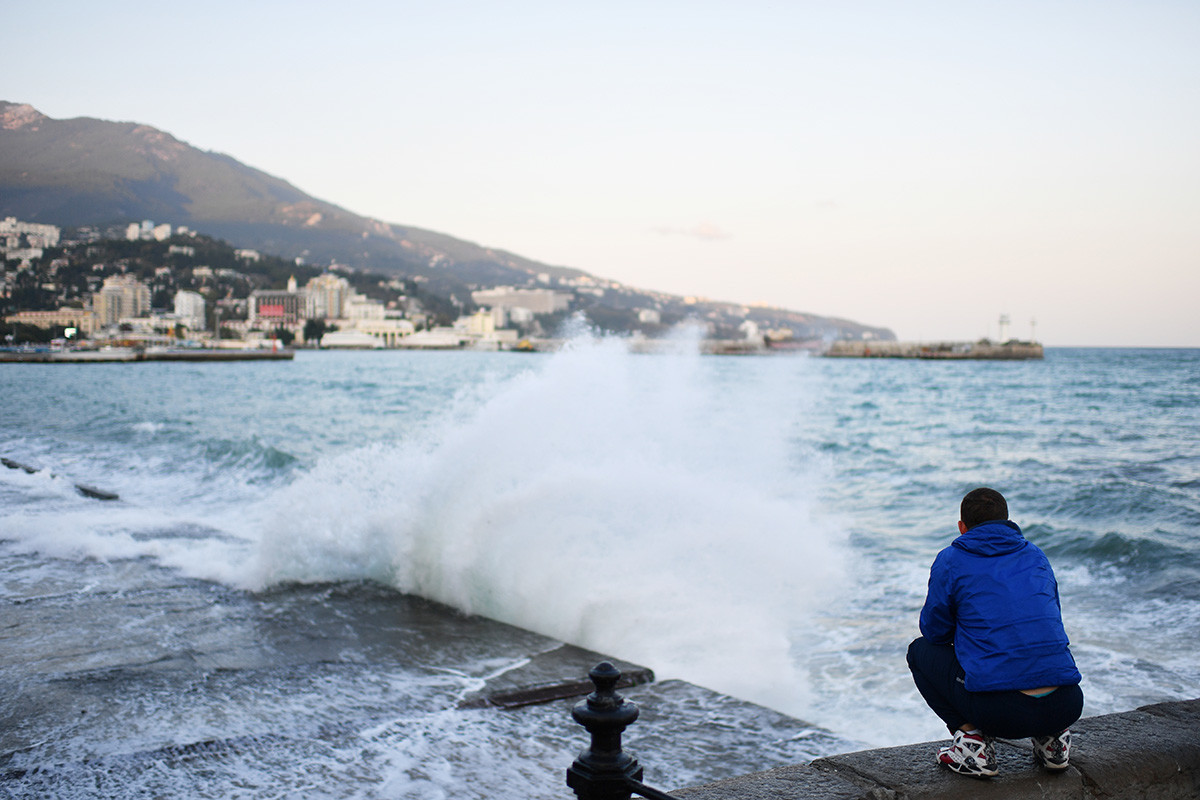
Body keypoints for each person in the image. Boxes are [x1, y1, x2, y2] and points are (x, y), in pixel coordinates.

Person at [906, 487, 1083, 778]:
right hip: (1066, 703)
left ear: (962, 527)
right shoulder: (1036, 555)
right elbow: (1050, 618)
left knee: (920, 651)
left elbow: (935, 632)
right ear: (1008, 521)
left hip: (1001, 713)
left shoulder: (951, 559)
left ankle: (972, 745)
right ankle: (1052, 741)